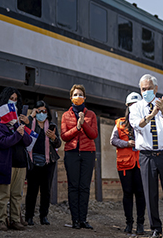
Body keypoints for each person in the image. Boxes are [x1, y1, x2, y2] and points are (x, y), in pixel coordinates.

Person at [129, 74, 163, 238]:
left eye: (149, 88)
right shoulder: (135, 107)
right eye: (143, 89)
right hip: (146, 156)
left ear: (156, 89)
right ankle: (156, 229)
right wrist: (152, 114)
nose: (146, 92)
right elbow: (137, 124)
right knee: (150, 193)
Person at [60, 84, 98, 230]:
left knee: (84, 187)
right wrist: (77, 127)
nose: (78, 97)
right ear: (71, 98)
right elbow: (64, 136)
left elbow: (93, 135)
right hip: (72, 154)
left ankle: (83, 219)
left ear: (85, 98)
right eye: (75, 94)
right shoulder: (65, 115)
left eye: (80, 94)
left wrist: (83, 124)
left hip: (88, 154)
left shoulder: (91, 115)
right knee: (73, 187)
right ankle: (75, 220)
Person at [0, 103, 32, 231]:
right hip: (5, 165)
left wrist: (21, 131)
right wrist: (16, 135)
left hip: (20, 165)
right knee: (3, 195)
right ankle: (1, 220)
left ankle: (15, 219)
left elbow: (28, 141)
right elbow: (2, 143)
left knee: (16, 194)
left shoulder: (16, 125)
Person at [110, 92, 145, 235]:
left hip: (141, 164)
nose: (133, 107)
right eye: (131, 105)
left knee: (141, 194)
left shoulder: (145, 122)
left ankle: (141, 224)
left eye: (136, 105)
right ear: (127, 107)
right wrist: (126, 143)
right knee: (127, 193)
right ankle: (129, 223)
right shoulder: (120, 123)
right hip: (125, 165)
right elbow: (113, 140)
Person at [24, 100, 61, 226]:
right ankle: (29, 216)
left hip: (48, 162)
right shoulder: (30, 124)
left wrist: (54, 138)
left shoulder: (52, 126)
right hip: (33, 161)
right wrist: (31, 116)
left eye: (43, 111)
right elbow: (24, 135)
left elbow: (58, 144)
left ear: (47, 112)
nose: (41, 113)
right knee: (32, 190)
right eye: (38, 111)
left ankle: (43, 216)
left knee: (46, 191)